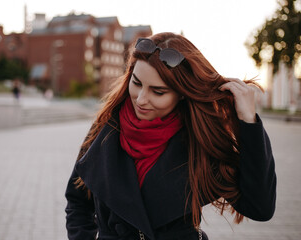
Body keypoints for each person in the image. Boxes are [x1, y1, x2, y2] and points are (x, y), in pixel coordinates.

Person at [65, 32, 276, 240]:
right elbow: (77, 202)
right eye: (136, 83)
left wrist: (249, 121)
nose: (141, 99)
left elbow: (260, 208)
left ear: (182, 93)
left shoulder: (199, 139)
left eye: (158, 92)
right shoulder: (105, 129)